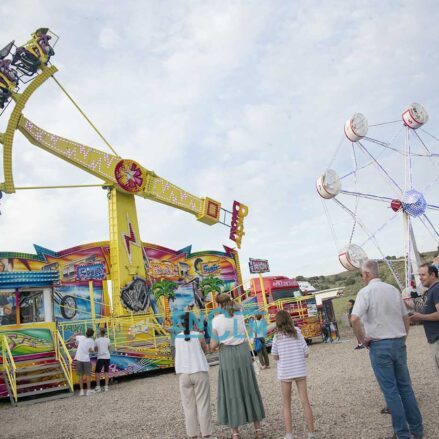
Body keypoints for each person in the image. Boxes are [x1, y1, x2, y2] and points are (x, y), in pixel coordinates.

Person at [351, 260, 423, 439]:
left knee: (391, 391)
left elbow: (354, 319)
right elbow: (406, 317)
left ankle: (402, 434)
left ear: (366, 274)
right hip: (398, 342)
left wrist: (362, 341)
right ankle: (417, 429)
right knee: (406, 387)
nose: (362, 278)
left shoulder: (365, 292)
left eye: (362, 275)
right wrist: (403, 337)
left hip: (379, 345)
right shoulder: (392, 290)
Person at [211, 293, 265, 439]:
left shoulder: (216, 320)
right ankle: (258, 429)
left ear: (219, 304)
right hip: (242, 351)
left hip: (227, 354)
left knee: (231, 388)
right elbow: (238, 307)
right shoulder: (239, 315)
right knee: (248, 385)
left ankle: (235, 432)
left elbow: (214, 345)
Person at [271, 310, 316, 439]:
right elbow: (306, 352)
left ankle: (289, 434)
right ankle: (311, 433)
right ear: (290, 319)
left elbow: (274, 356)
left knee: (286, 404)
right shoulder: (298, 332)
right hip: (300, 370)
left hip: (285, 372)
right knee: (305, 401)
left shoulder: (277, 336)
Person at [175, 312, 216, 439]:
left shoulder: (177, 338)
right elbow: (205, 350)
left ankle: (192, 434)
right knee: (203, 404)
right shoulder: (199, 336)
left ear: (181, 324)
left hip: (183, 374)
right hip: (198, 370)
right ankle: (206, 434)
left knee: (188, 406)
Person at [410, 264, 439, 373]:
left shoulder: (436, 289)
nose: (420, 278)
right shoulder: (431, 290)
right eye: (419, 275)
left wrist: (421, 317)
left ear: (432, 275)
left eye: (423, 275)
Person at [75, 328, 96, 396]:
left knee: (80, 375)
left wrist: (78, 333)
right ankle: (88, 391)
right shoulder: (91, 341)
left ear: (86, 333)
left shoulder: (81, 337)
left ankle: (81, 391)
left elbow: (75, 336)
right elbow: (91, 350)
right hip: (86, 359)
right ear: (92, 335)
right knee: (88, 375)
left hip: (79, 358)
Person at [94, 328, 111, 392]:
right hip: (107, 357)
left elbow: (96, 349)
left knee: (97, 372)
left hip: (100, 357)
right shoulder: (108, 339)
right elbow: (108, 348)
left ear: (100, 333)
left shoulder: (96, 340)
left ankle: (98, 387)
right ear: (105, 333)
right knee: (106, 372)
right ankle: (106, 387)